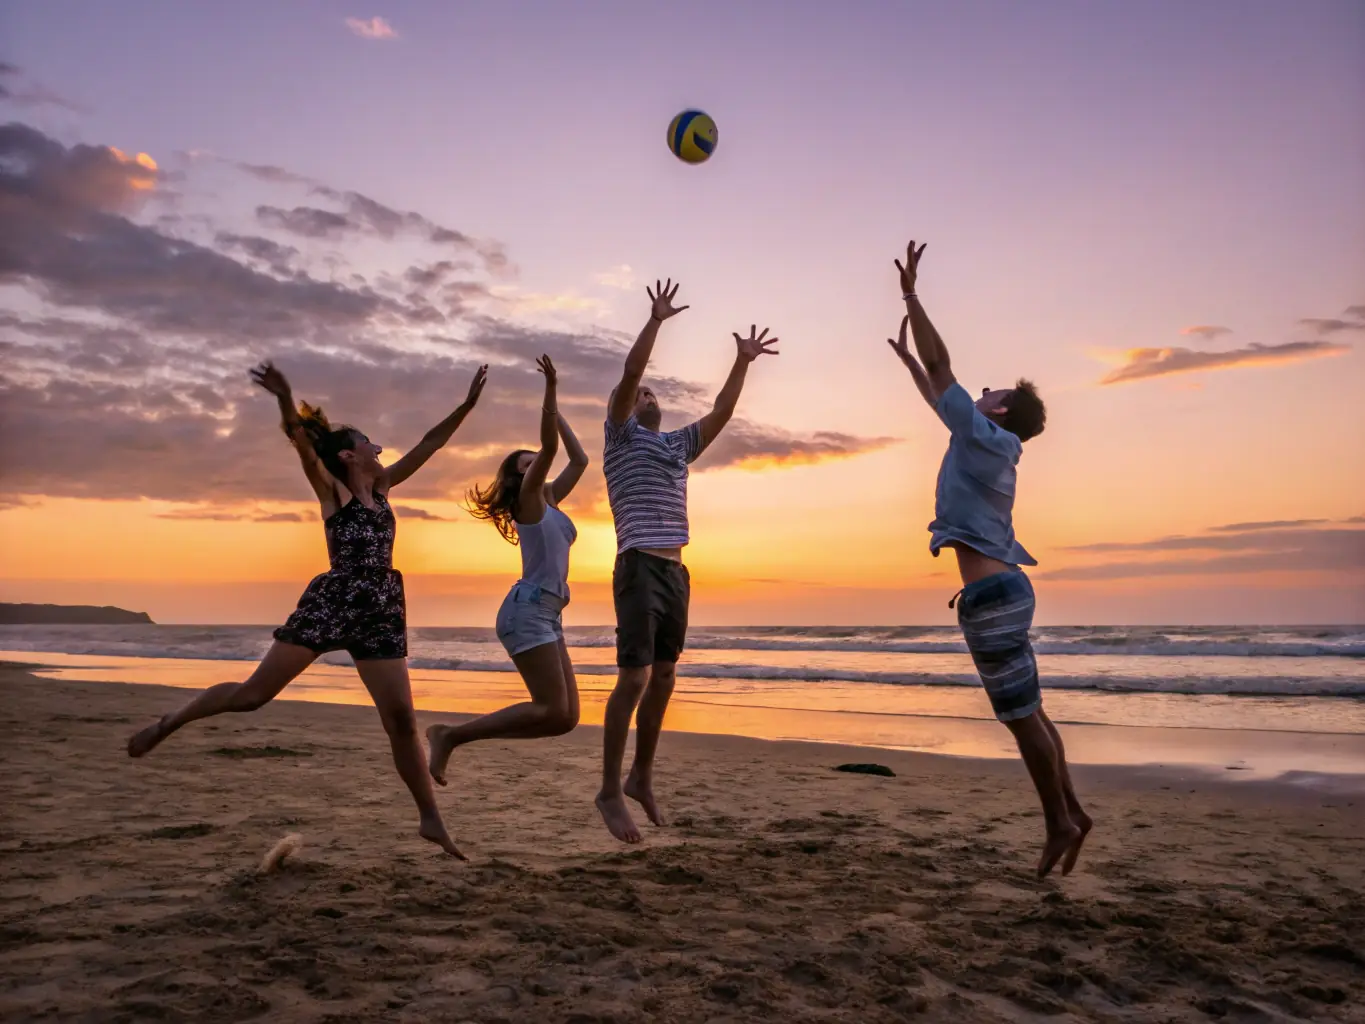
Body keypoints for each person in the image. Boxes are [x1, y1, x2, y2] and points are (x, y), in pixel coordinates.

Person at [126, 359, 489, 860]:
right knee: (254, 695)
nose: (381, 450)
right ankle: (172, 722)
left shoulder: (382, 490)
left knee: (403, 720)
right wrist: (284, 397)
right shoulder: (333, 491)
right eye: (371, 444)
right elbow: (301, 443)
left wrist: (466, 407)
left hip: (380, 606)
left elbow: (430, 444)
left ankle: (430, 819)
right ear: (348, 454)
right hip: (333, 601)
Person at [885, 240, 1091, 878]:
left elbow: (943, 366)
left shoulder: (987, 436)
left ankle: (1059, 822)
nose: (978, 391)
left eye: (988, 389)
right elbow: (938, 388)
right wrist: (912, 365)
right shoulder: (989, 441)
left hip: (992, 600)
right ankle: (1075, 811)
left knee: (1020, 718)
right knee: (1033, 710)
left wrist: (912, 297)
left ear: (998, 409)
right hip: (1006, 592)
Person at [595, 279, 779, 843]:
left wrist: (742, 360)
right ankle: (607, 788)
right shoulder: (620, 438)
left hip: (675, 571)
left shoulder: (678, 446)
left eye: (653, 394)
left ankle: (640, 777)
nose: (647, 396)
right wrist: (655, 322)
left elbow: (723, 410)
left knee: (666, 675)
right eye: (642, 394)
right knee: (635, 676)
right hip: (638, 565)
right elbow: (629, 376)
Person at [426, 355, 589, 784]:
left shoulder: (550, 498)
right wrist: (550, 390)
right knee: (550, 708)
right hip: (528, 610)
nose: (536, 461)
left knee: (565, 718)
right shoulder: (529, 501)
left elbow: (580, 461)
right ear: (520, 477)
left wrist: (560, 415)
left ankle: (455, 736)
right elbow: (553, 452)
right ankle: (450, 736)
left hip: (549, 612)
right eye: (527, 462)